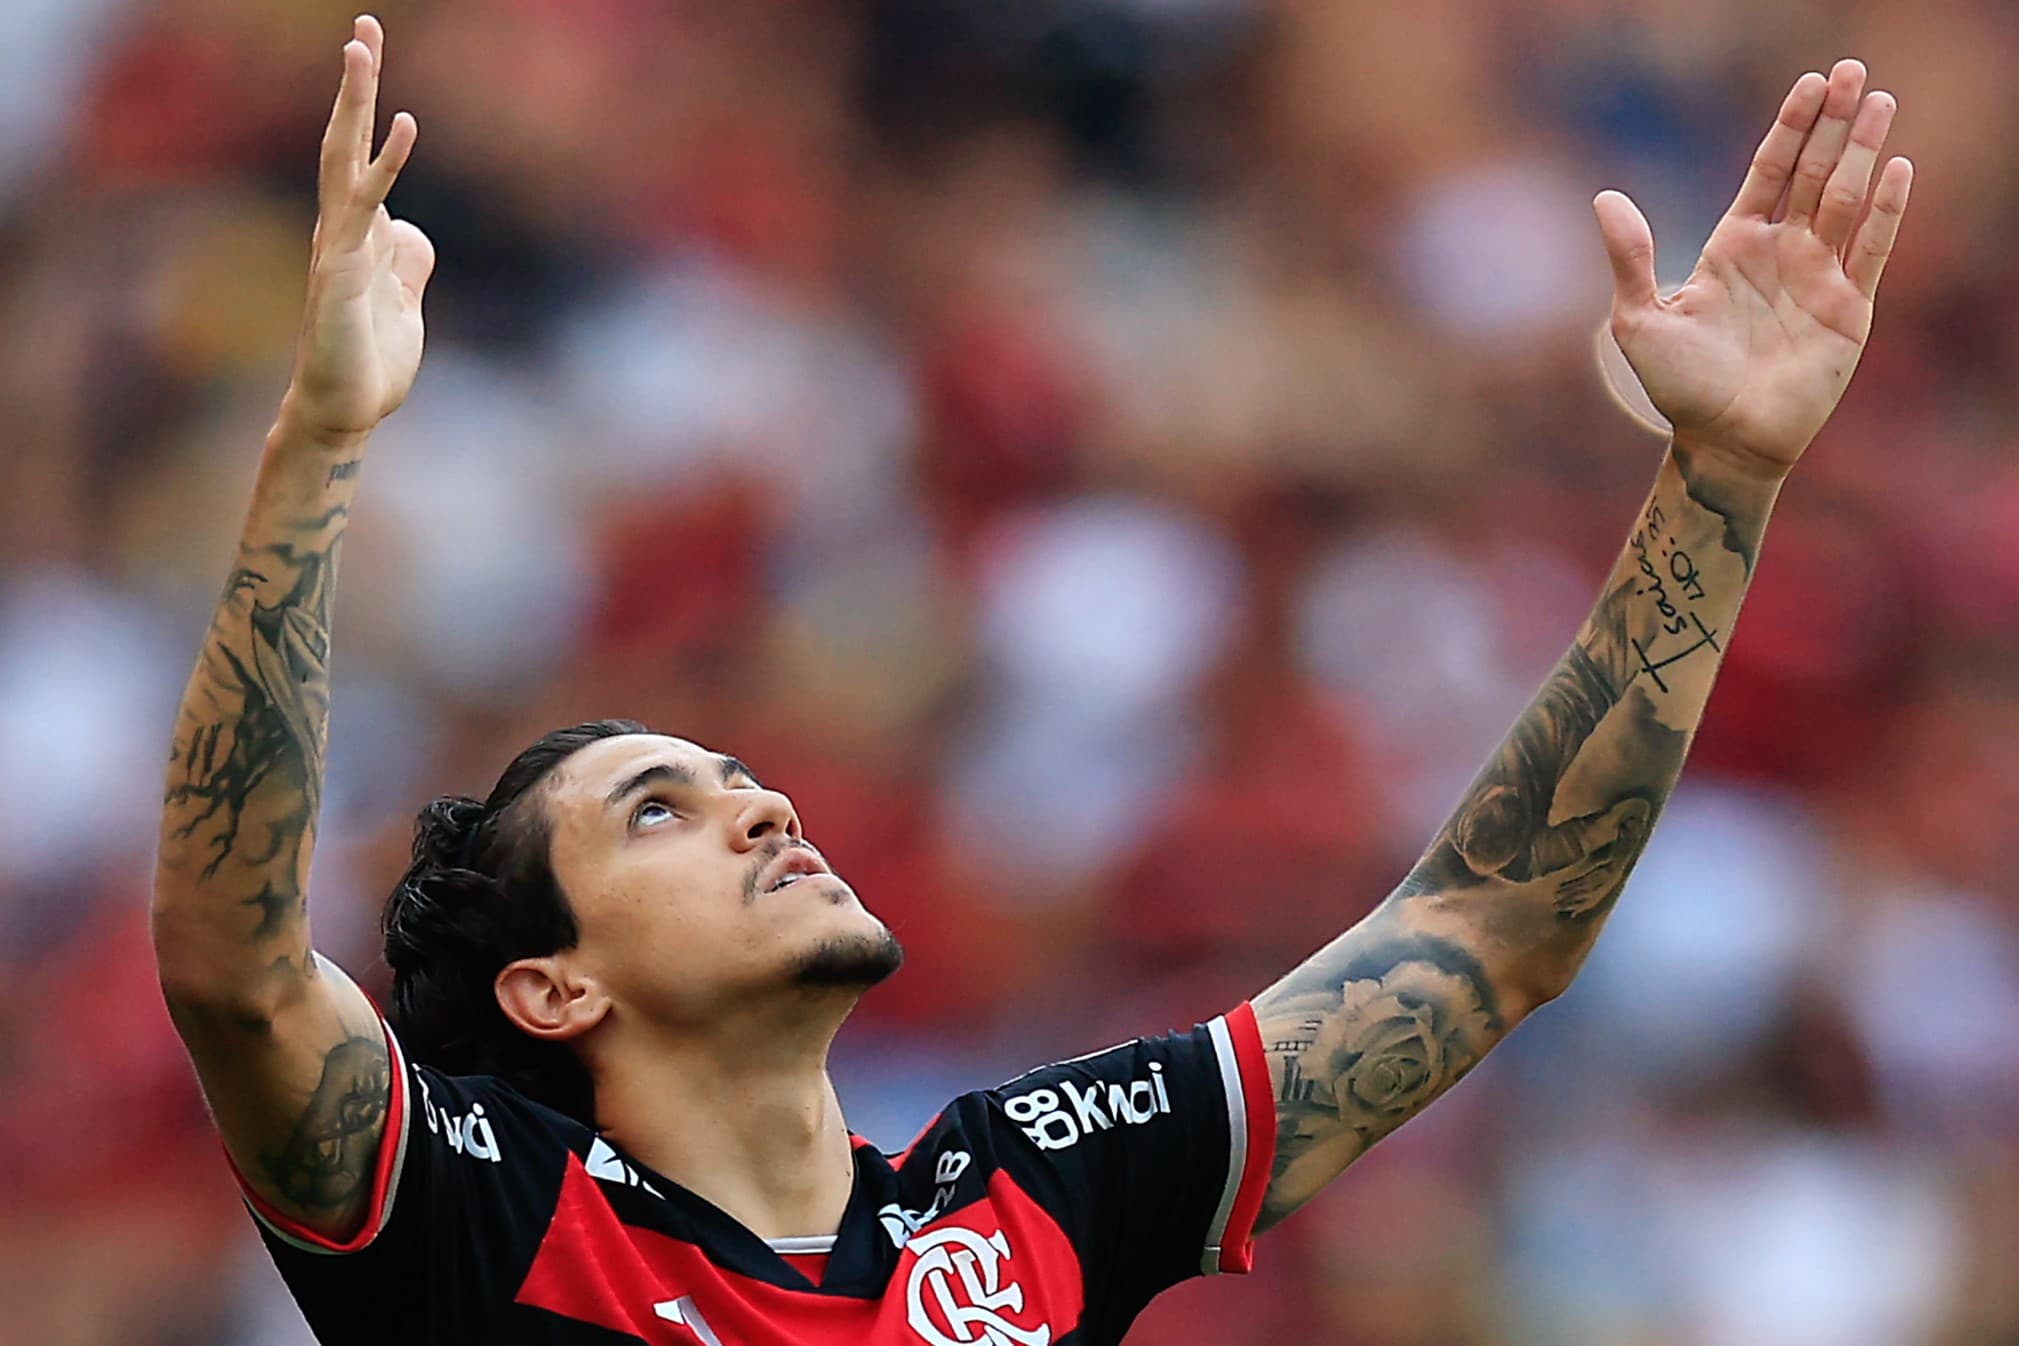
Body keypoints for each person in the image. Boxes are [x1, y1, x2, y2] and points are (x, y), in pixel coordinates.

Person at [150, 15, 1912, 1345]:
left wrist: (1720, 476)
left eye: (736, 776)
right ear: (551, 988)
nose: (762, 805)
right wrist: (320, 439)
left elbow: (1489, 926)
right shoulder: (484, 1214)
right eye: (660, 811)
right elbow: (236, 971)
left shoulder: (1030, 1185)